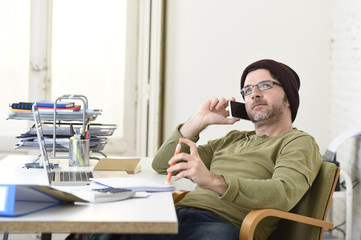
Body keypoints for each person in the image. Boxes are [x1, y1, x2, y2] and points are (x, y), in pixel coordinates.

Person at [73, 59, 322, 240]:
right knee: (99, 230)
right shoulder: (233, 138)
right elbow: (163, 165)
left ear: (289, 97)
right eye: (247, 90)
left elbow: (283, 193)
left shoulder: (298, 142)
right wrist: (198, 121)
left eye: (265, 86)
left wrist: (213, 181)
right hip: (174, 214)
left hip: (224, 225)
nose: (254, 94)